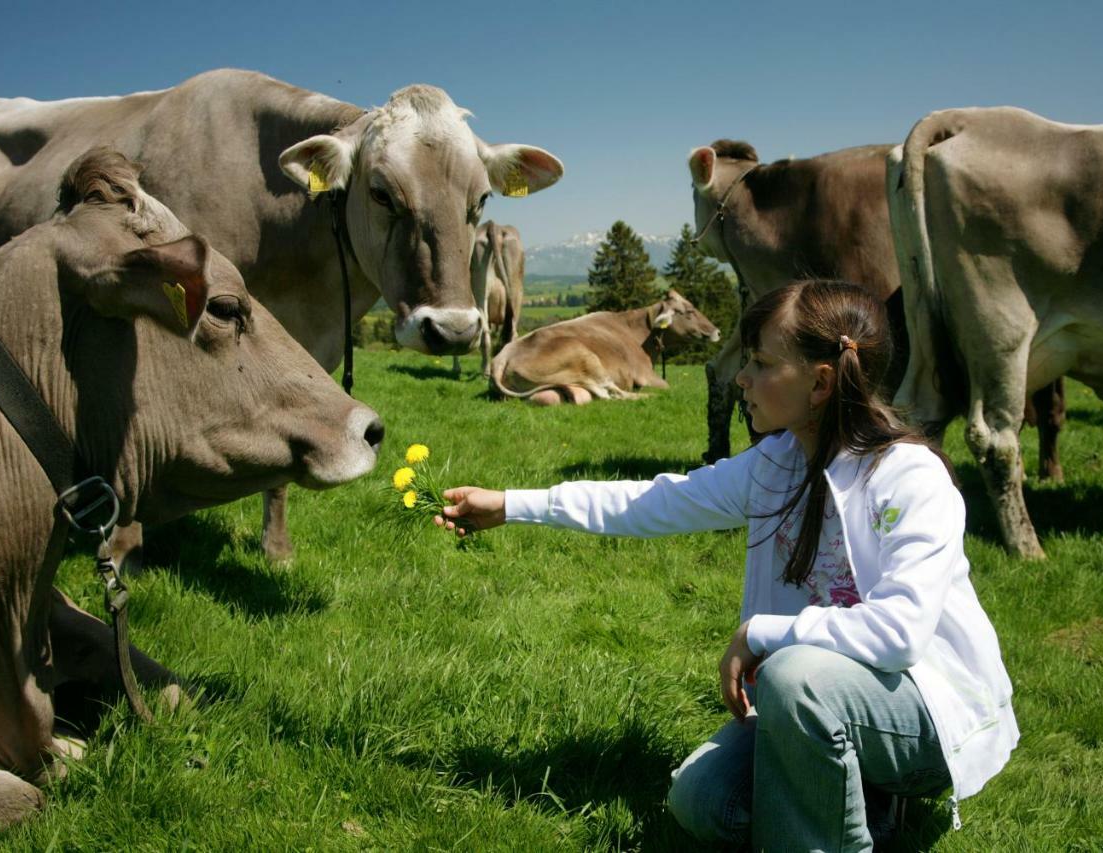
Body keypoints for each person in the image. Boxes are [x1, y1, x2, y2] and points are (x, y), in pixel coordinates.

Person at [434, 280, 1018, 850]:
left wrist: (763, 633)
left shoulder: (908, 477)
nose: (742, 377)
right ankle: (863, 809)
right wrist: (510, 506)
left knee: (792, 677)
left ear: (819, 383)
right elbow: (648, 501)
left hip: (923, 714)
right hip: (814, 704)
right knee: (701, 801)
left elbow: (899, 635)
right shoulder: (776, 463)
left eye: (762, 362)